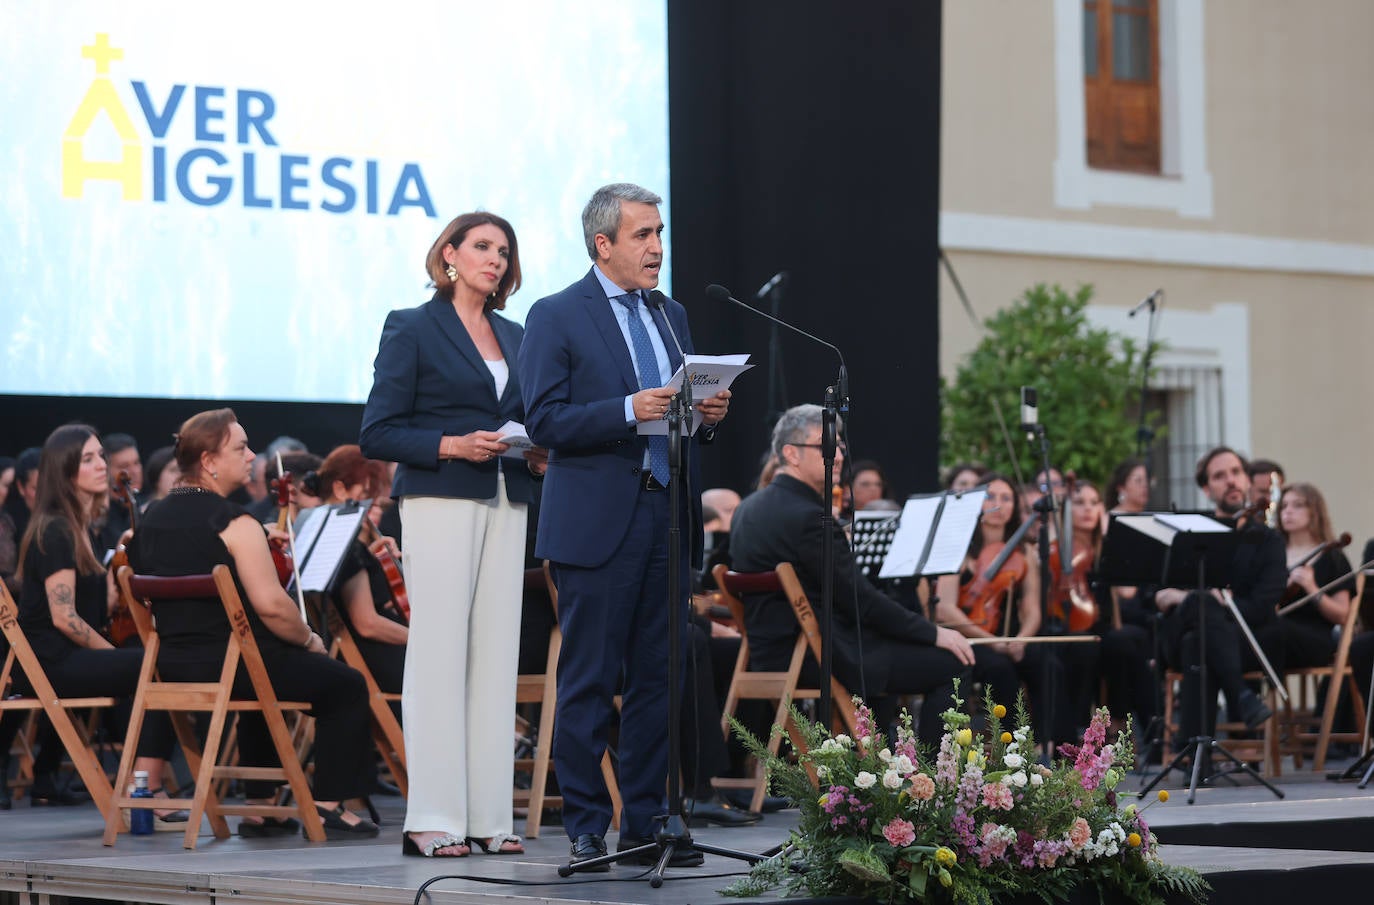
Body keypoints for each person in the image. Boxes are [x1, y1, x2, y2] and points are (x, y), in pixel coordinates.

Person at [517, 183, 731, 870]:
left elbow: (680, 416)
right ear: (602, 243)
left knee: (657, 679)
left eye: (660, 233)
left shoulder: (672, 314)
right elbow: (543, 420)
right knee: (588, 677)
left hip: (666, 515)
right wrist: (626, 408)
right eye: (643, 235)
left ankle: (646, 824)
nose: (658, 248)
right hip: (595, 521)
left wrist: (704, 415)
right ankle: (584, 825)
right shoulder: (555, 314)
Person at [361, 211, 545, 859]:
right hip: (440, 494)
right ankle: (433, 816)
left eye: (504, 250)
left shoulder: (518, 335)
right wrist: (450, 443)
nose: (494, 258)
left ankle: (490, 817)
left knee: (496, 657)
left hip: (507, 493)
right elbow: (377, 432)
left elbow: (528, 414)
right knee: (438, 653)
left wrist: (537, 447)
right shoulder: (411, 326)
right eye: (482, 246)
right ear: (449, 254)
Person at [129, 409, 378, 839]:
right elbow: (274, 607)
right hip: (235, 664)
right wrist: (311, 639)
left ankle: (262, 806)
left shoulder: (149, 520)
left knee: (266, 678)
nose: (252, 458)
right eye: (240, 448)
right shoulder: (234, 521)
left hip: (170, 665)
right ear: (208, 461)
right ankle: (328, 804)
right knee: (346, 685)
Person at [730, 405, 974, 745]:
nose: (840, 454)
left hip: (767, 652)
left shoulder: (748, 508)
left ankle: (873, 770)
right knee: (952, 663)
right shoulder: (810, 517)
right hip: (817, 654)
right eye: (826, 446)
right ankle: (933, 783)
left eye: (841, 444)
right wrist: (934, 633)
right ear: (791, 453)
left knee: (889, 654)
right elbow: (861, 602)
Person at [13, 425, 179, 814]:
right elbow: (64, 617)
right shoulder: (56, 529)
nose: (101, 465)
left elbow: (91, 610)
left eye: (100, 456)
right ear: (65, 471)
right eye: (88, 459)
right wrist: (109, 653)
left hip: (64, 656)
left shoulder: (82, 528)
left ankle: (142, 781)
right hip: (50, 661)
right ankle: (147, 787)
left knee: (153, 658)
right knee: (158, 666)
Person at [1151, 447, 1285, 745]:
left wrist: (1215, 602)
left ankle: (1197, 758)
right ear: (1206, 488)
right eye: (1219, 476)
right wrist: (1190, 599)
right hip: (1180, 634)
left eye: (1236, 472)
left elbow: (1262, 606)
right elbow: (1159, 595)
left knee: (1197, 642)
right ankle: (1240, 696)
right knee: (1200, 609)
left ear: (1248, 480)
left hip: (1246, 640)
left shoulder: (1268, 540)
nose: (1231, 481)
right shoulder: (1189, 533)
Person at [935, 475, 1057, 739]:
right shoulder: (959, 546)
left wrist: (1021, 640)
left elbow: (1033, 606)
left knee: (1047, 663)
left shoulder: (1023, 550)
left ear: (1015, 506)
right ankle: (1010, 744)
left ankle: (1054, 743)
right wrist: (994, 642)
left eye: (1006, 498)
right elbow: (944, 608)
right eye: (990, 497)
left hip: (1009, 636)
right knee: (1000, 668)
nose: (998, 505)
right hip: (968, 638)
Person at [315, 445, 407, 701]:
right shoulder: (345, 547)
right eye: (367, 496)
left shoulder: (323, 539)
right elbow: (368, 624)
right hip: (378, 660)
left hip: (358, 656)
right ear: (339, 489)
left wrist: (370, 555)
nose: (373, 507)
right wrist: (422, 640)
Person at [1275, 483, 1354, 670]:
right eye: (1284, 506)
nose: (1288, 511)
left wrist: (1312, 588)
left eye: (1297, 505)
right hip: (1274, 635)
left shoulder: (1332, 557)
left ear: (1314, 512)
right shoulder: (1272, 556)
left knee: (1272, 630)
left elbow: (1342, 615)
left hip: (1314, 640)